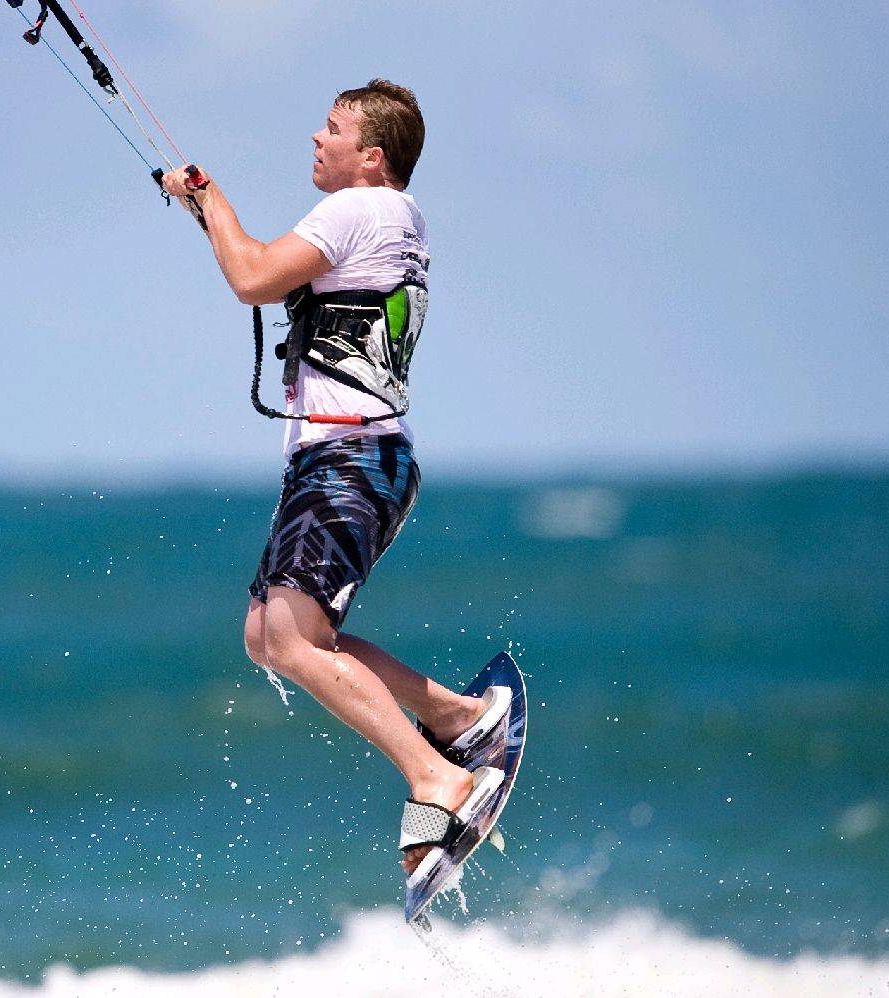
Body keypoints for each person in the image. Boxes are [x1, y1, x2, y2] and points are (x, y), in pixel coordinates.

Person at [159, 80, 509, 877]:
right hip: (360, 459)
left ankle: (440, 776)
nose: (317, 138)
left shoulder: (359, 208)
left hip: (349, 459)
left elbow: (252, 277)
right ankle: (458, 718)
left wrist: (209, 198)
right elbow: (269, 273)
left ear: (372, 156)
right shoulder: (398, 219)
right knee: (271, 637)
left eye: (333, 128)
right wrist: (211, 215)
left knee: (287, 636)